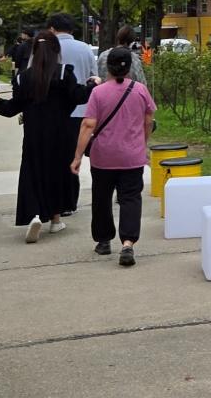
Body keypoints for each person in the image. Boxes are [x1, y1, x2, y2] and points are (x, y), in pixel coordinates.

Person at [0, 31, 99, 243]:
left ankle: (33, 215)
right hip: (60, 134)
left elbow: (13, 107)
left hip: (33, 135)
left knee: (33, 173)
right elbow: (78, 96)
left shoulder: (23, 77)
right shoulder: (62, 73)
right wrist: (93, 83)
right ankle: (56, 220)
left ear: (34, 51)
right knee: (57, 174)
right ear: (56, 51)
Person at [72, 47, 155, 266]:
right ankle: (128, 243)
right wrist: (142, 143)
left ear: (107, 67)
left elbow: (88, 124)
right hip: (132, 157)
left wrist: (78, 156)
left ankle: (104, 241)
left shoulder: (98, 93)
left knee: (101, 199)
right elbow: (148, 121)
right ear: (129, 67)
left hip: (103, 157)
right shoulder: (140, 91)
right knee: (130, 198)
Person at [48, 13, 97, 212]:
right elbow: (94, 78)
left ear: (52, 28)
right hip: (82, 111)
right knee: (74, 157)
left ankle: (58, 202)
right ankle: (71, 200)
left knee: (55, 157)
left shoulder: (48, 48)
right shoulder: (85, 48)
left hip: (55, 111)